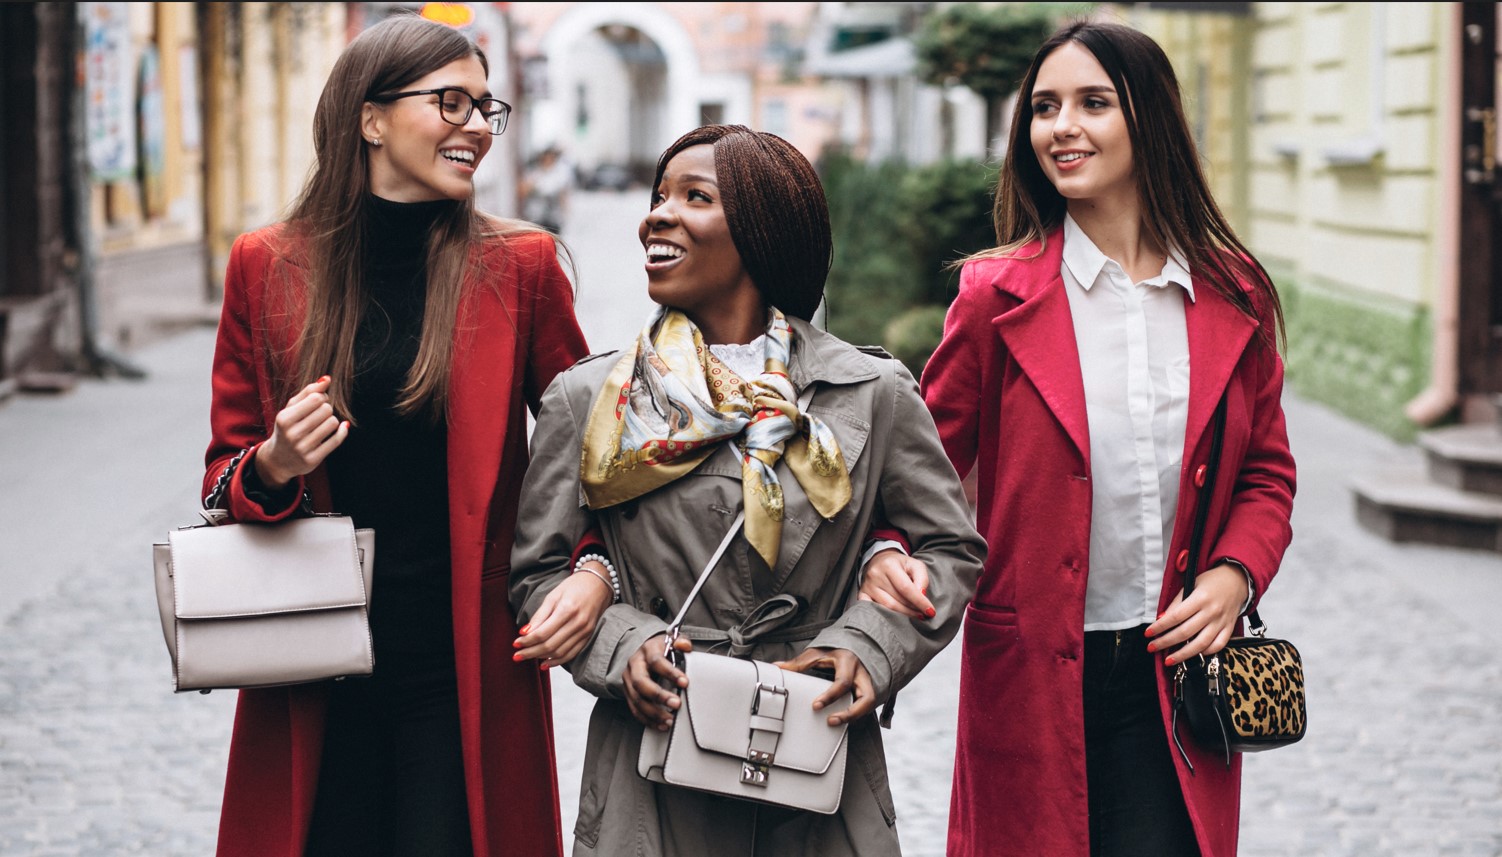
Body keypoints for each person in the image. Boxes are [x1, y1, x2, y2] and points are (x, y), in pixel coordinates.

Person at [861, 19, 1297, 857]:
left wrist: (1236, 574)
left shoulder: (1234, 295)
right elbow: (922, 474)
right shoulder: (995, 297)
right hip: (1031, 668)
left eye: (1093, 103)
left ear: (1150, 118)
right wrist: (887, 551)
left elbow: (1268, 473)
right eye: (1045, 107)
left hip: (1176, 674)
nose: (1062, 127)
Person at [508, 124, 986, 857]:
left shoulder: (871, 392)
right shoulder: (590, 399)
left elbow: (949, 548)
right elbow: (537, 576)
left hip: (818, 760)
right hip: (653, 771)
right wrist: (623, 644)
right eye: (658, 195)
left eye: (693, 197)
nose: (656, 215)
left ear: (764, 232)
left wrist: (866, 644)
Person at [200, 15, 599, 857]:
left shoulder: (520, 266)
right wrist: (274, 462)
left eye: (489, 110)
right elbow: (224, 475)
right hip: (309, 656)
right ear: (370, 118)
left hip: (464, 661)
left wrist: (591, 570)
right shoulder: (267, 264)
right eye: (451, 103)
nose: (477, 128)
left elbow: (593, 458)